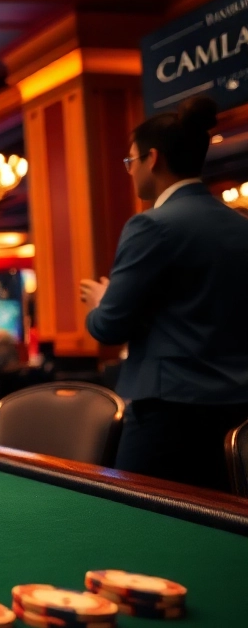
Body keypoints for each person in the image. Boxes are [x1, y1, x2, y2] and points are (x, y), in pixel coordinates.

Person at [80, 96, 248, 491]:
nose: (130, 171)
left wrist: (101, 303)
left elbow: (108, 328)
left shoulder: (152, 226)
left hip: (168, 414)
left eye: (130, 161)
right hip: (238, 412)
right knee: (221, 525)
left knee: (140, 526)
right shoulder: (241, 224)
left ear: (152, 159)